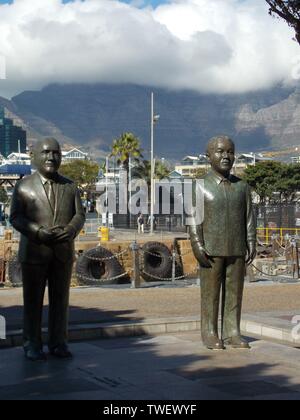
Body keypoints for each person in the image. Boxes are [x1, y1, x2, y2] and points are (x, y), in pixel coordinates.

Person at [10, 138, 85, 361]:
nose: (51, 157)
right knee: (32, 302)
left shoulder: (70, 186)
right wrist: (36, 231)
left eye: (56, 153)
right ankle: (32, 344)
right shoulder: (23, 186)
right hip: (34, 253)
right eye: (45, 152)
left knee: (60, 301)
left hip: (62, 253)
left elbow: (79, 214)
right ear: (34, 156)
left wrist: (71, 230)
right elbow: (15, 217)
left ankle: (58, 342)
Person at [189, 136, 256, 350]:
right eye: (220, 151)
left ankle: (232, 332)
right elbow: (193, 219)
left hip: (236, 248)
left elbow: (249, 218)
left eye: (230, 152)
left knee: (235, 293)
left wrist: (251, 240)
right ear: (209, 157)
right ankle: (210, 332)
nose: (226, 156)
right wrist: (197, 244)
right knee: (211, 295)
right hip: (211, 249)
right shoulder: (200, 186)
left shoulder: (242, 187)